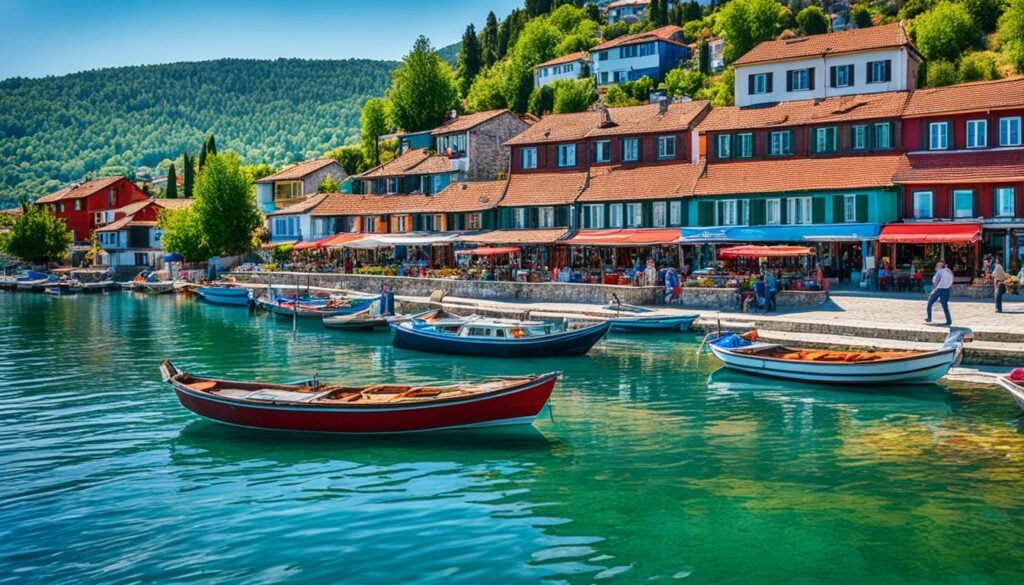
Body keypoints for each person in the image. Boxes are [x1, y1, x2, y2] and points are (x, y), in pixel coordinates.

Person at [925, 261, 954, 326]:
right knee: (945, 306)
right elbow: (952, 278)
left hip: (939, 290)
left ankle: (929, 318)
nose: (936, 266)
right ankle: (949, 321)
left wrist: (933, 291)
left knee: (930, 303)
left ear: (940, 266)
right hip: (946, 290)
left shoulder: (939, 271)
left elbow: (936, 281)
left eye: (938, 265)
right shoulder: (948, 271)